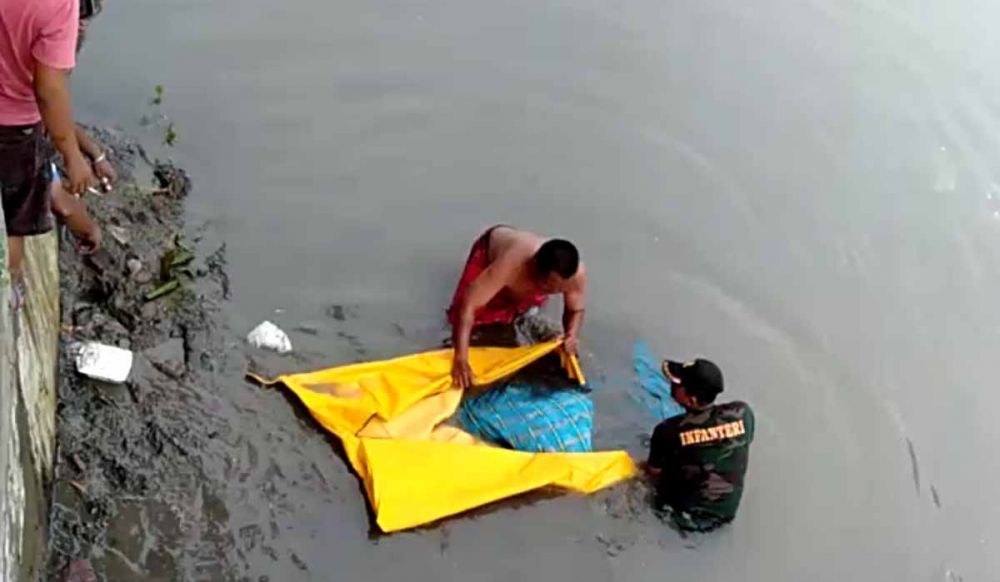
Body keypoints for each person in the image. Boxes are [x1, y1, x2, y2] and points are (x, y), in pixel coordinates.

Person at [1, 0, 96, 285]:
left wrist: (94, 154)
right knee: (15, 222)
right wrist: (73, 156)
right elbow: (48, 91)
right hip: (13, 129)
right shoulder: (59, 5)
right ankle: (11, 293)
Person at [448, 225, 586, 389]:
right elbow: (468, 306)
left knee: (513, 319)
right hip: (489, 254)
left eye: (558, 290)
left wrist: (571, 334)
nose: (552, 292)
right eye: (547, 286)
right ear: (534, 267)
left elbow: (575, 309)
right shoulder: (511, 263)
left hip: (526, 279)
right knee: (464, 319)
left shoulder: (575, 275)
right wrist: (461, 358)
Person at [643, 358, 755, 532]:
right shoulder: (743, 414)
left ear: (692, 400)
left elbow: (653, 473)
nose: (672, 385)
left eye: (677, 385)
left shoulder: (667, 431)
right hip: (726, 515)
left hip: (680, 518)